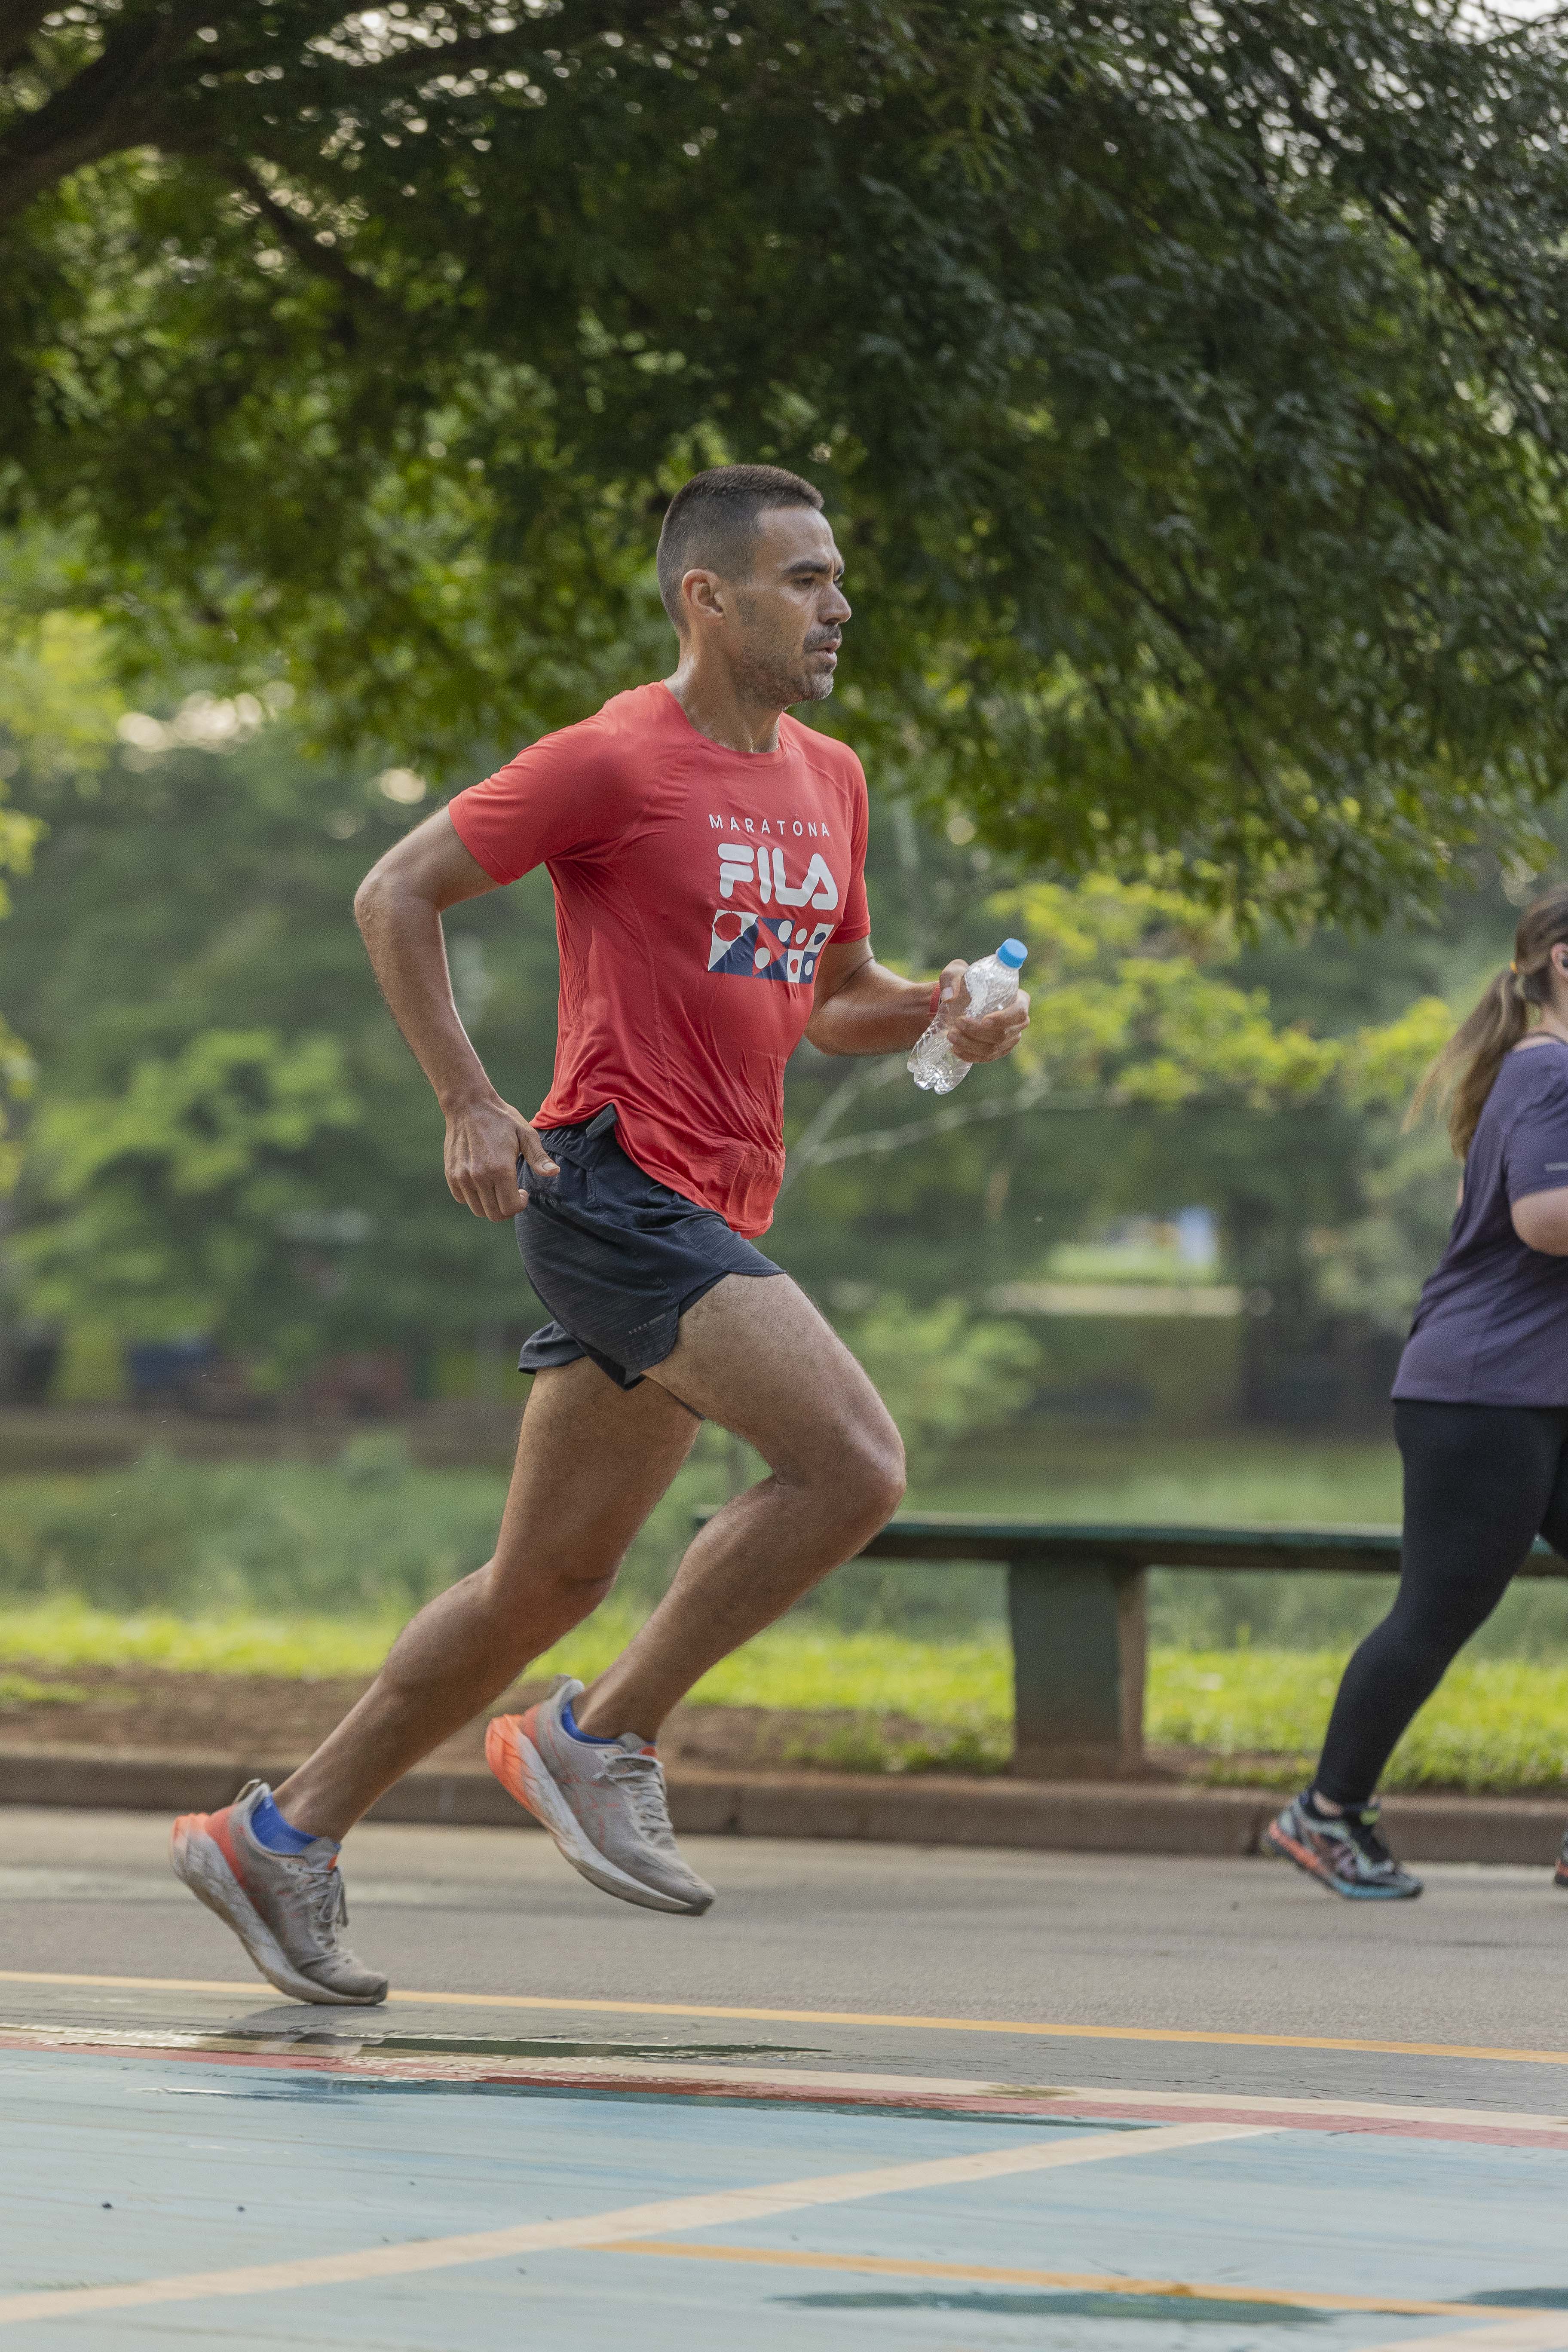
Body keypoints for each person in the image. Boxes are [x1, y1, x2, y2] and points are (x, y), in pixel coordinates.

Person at [169, 462, 1031, 2003]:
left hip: (713, 1202)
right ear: (708, 597)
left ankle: (275, 1838)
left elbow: (828, 1000)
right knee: (854, 1463)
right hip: (615, 1188)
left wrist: (938, 1013)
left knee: (540, 1582)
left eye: (836, 576)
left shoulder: (827, 779)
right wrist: (465, 1100)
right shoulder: (615, 757)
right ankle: (598, 1734)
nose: (839, 604)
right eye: (804, 579)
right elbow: (394, 891)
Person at [1266, 886, 1568, 1901]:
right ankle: (1327, 1812)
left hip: (1529, 1392)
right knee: (1438, 1609)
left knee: (1439, 1606)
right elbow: (1543, 1220)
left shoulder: (1534, 1076)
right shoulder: (1551, 1070)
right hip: (1484, 1398)